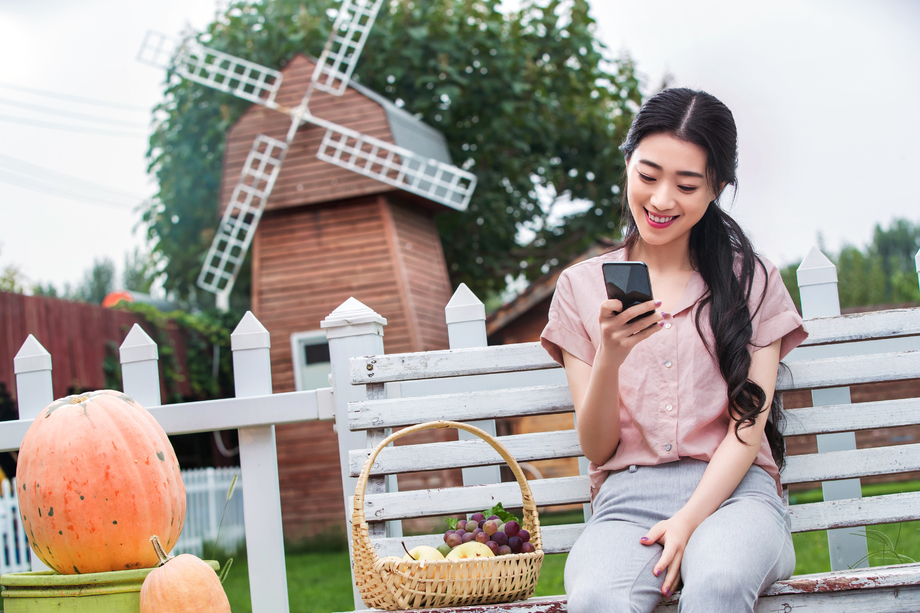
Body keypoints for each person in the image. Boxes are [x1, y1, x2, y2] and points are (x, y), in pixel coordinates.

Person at [539, 87, 808, 612]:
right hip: (626, 502)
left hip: (736, 495)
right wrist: (611, 359)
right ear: (627, 164)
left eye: (686, 185)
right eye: (647, 176)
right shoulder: (580, 288)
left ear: (718, 189)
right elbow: (597, 449)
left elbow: (746, 429)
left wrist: (689, 520)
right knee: (596, 597)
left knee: (719, 579)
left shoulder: (752, 280)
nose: (661, 200)